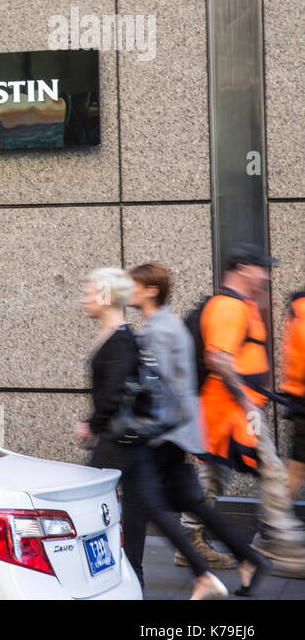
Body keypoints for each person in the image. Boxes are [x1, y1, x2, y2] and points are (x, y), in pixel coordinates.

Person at [73, 267, 226, 598]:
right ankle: (202, 578)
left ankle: (88, 579)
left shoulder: (120, 341)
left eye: (88, 292)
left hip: (118, 441)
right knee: (150, 509)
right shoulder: (122, 336)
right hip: (131, 442)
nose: (84, 298)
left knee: (82, 502)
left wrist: (92, 426)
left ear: (104, 296)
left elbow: (113, 397)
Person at [129, 262, 268, 595]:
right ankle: (245, 556)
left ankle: (160, 578)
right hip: (177, 430)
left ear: (150, 291)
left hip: (166, 431)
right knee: (190, 501)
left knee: (144, 504)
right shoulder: (165, 323)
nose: (128, 291)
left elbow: (156, 385)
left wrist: (137, 420)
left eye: (133, 286)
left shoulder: (158, 329)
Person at [182, 243, 305, 571]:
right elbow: (218, 358)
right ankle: (285, 546)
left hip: (230, 412)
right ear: (242, 269)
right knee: (272, 471)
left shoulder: (242, 305)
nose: (265, 275)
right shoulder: (228, 307)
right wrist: (247, 401)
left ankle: (189, 540)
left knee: (212, 478)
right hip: (231, 411)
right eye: (260, 268)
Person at [283, 290, 305, 498]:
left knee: (297, 466)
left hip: (299, 399)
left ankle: (272, 523)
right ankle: (272, 523)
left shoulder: (298, 309)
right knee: (297, 466)